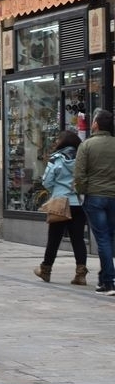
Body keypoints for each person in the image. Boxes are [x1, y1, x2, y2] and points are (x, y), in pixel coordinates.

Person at [34, 130, 88, 285]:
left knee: (54, 239)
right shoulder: (82, 158)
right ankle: (80, 274)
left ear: (62, 143)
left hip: (60, 202)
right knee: (78, 239)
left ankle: (46, 270)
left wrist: (57, 189)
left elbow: (46, 181)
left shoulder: (56, 158)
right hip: (78, 202)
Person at [74, 109, 115, 295]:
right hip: (113, 197)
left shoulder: (87, 145)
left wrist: (81, 193)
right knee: (110, 237)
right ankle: (104, 278)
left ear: (96, 124)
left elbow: (80, 174)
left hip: (95, 196)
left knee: (103, 239)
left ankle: (109, 281)